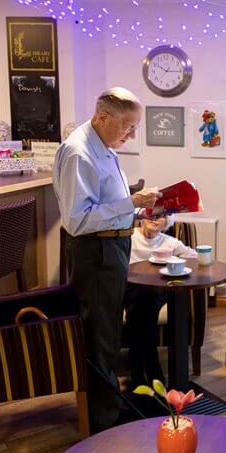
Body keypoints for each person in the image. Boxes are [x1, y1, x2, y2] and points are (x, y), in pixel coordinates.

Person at [53, 87, 161, 433]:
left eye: (135, 127)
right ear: (102, 118)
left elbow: (105, 204)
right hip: (95, 252)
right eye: (128, 127)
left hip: (113, 247)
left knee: (112, 327)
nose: (132, 135)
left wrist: (139, 211)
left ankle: (114, 403)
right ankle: (104, 422)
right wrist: (131, 203)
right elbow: (78, 220)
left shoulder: (105, 147)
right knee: (99, 336)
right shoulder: (78, 153)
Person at [124, 214, 197, 387]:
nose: (154, 218)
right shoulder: (128, 237)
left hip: (157, 292)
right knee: (143, 300)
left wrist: (176, 263)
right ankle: (152, 367)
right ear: (142, 216)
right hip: (130, 290)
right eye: (151, 213)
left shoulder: (170, 242)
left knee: (147, 299)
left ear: (167, 222)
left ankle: (137, 370)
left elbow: (194, 257)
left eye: (161, 216)